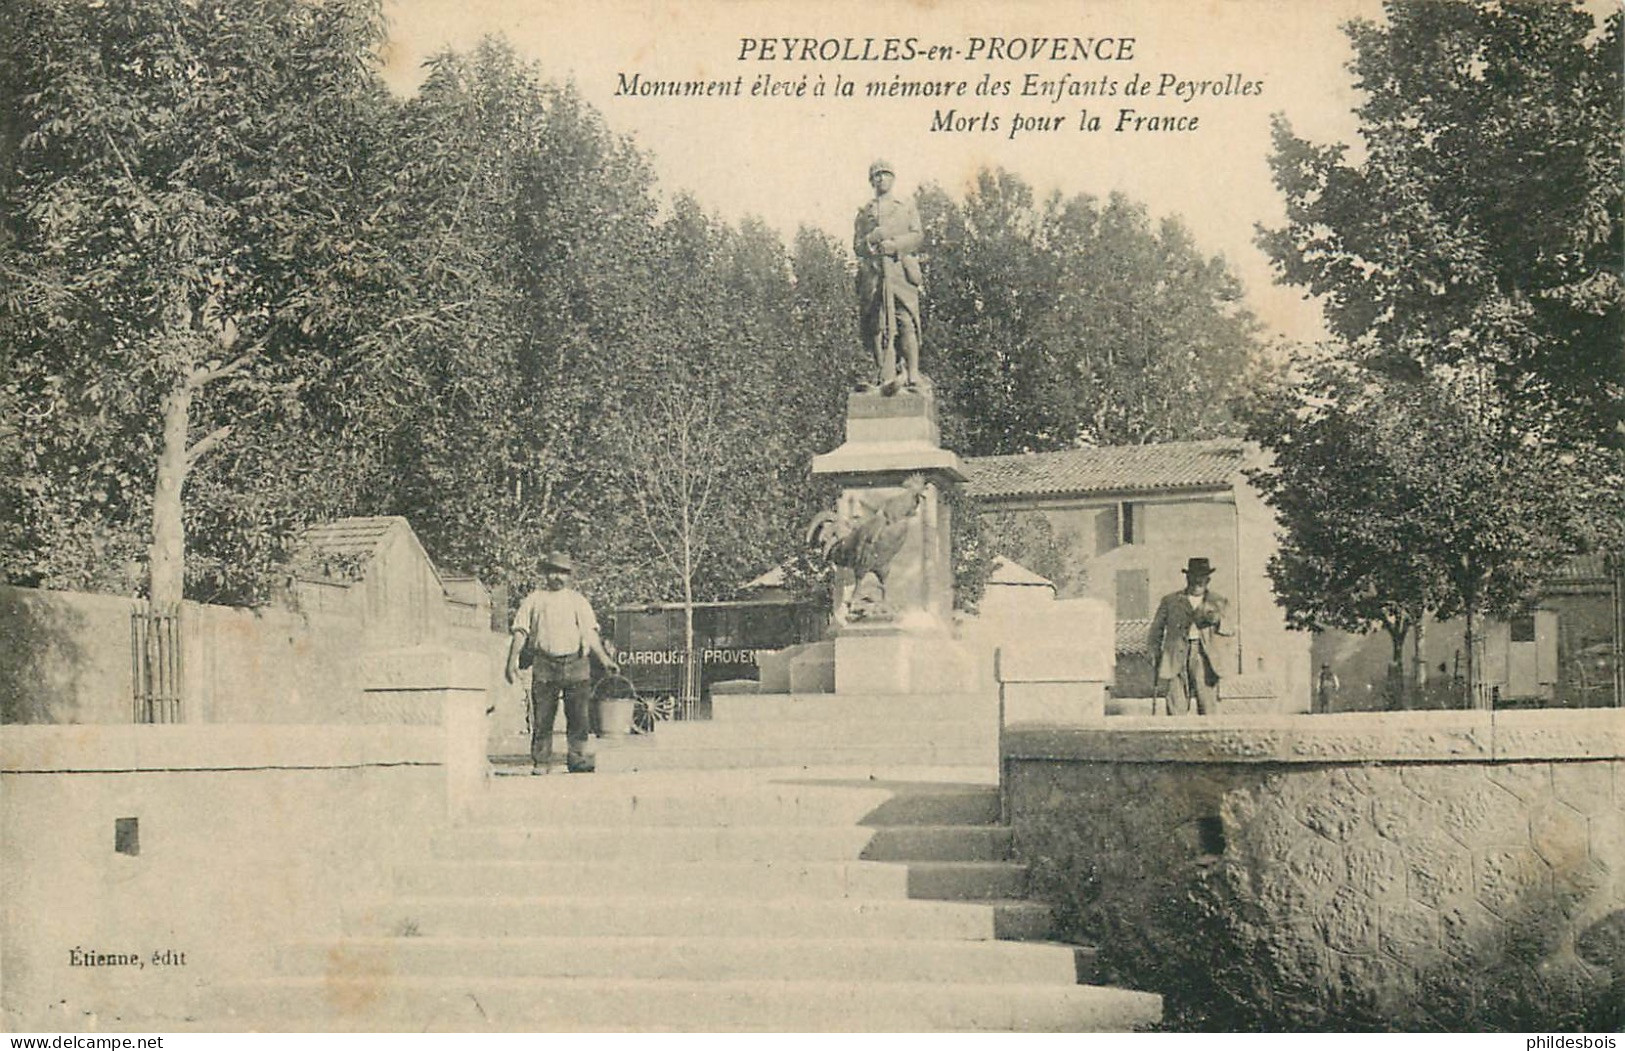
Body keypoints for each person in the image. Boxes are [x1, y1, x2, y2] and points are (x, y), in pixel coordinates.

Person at [505, 551, 619, 774]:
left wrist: (605, 660)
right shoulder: (533, 600)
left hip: (576, 664)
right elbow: (520, 632)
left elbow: (589, 633)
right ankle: (541, 761)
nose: (558, 577)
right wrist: (511, 662)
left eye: (563, 573)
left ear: (569, 576)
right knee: (543, 717)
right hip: (545, 664)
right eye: (553, 572)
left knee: (579, 718)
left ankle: (578, 760)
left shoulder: (578, 601)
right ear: (545, 574)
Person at [854, 159, 925, 391]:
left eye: (885, 174)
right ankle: (884, 374)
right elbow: (857, 246)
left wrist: (895, 245)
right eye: (876, 175)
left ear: (893, 178)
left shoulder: (905, 206)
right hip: (875, 274)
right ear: (870, 181)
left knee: (906, 320)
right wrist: (871, 239)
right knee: (877, 324)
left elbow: (917, 236)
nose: (881, 179)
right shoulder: (865, 212)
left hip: (900, 272)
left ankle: (913, 373)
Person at [1146, 557, 1231, 716]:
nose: (1198, 580)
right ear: (1187, 577)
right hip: (1175, 656)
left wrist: (1218, 620)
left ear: (1208, 579)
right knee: (1175, 706)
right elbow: (1156, 629)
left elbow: (1230, 628)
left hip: (1205, 657)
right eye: (1194, 576)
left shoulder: (1218, 601)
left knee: (1208, 707)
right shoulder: (1170, 601)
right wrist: (1153, 650)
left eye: (1202, 576)